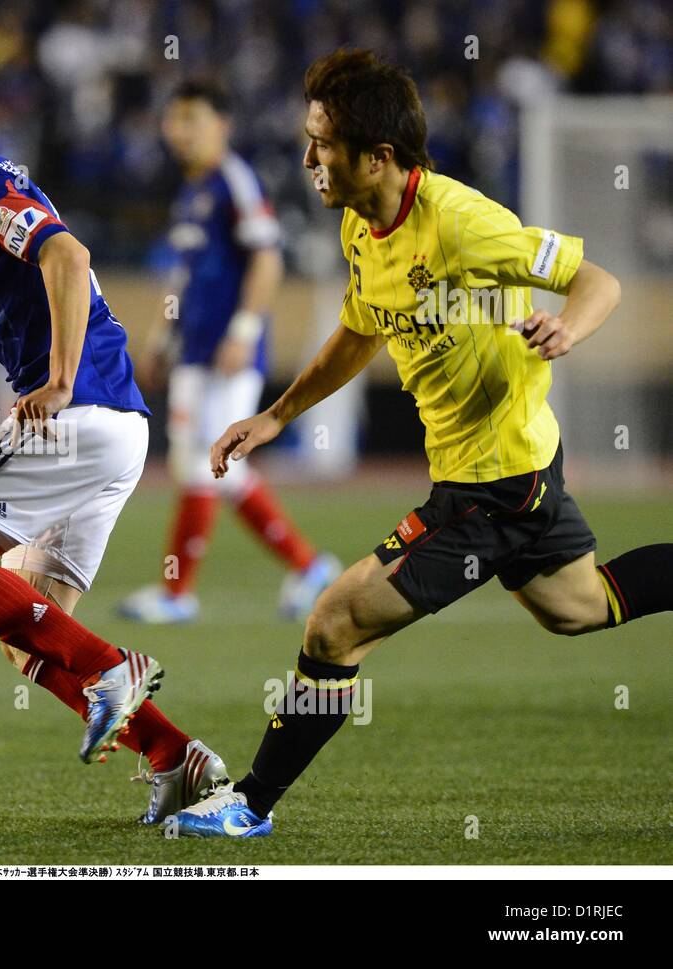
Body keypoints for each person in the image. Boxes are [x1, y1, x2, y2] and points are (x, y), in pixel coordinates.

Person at [171, 49, 664, 838]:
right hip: (521, 466)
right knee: (577, 607)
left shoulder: (463, 224)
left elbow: (594, 278)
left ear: (381, 156)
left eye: (322, 144)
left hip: (494, 485)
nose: (308, 160)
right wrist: (277, 416)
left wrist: (566, 325)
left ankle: (249, 805)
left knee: (333, 621)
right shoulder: (362, 226)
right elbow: (360, 330)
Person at [0, 49, 227, 823]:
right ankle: (175, 754)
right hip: (118, 430)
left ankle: (113, 670)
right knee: (26, 634)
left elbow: (67, 252)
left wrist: (55, 380)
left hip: (74, 413)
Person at [119, 80, 339, 625]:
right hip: (194, 352)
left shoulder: (234, 180)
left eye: (192, 118)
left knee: (204, 464)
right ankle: (309, 568)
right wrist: (161, 338)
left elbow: (268, 259)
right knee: (203, 466)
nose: (179, 131)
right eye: (173, 120)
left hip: (227, 353)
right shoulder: (192, 192)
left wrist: (243, 330)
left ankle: (179, 592)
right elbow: (184, 277)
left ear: (222, 125)